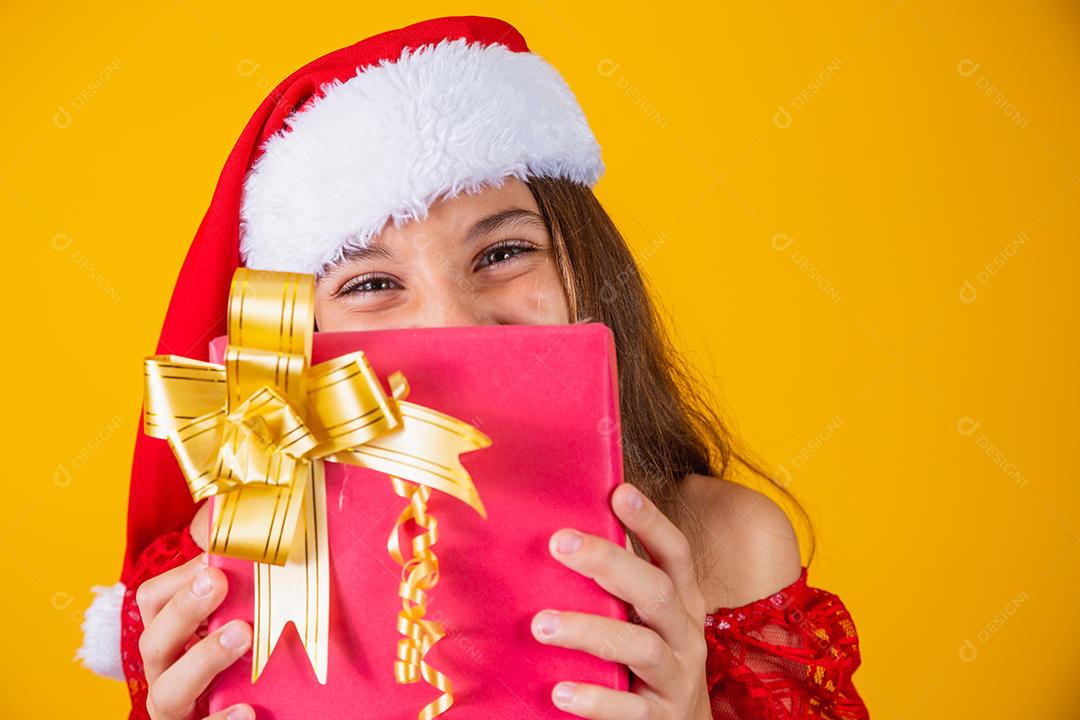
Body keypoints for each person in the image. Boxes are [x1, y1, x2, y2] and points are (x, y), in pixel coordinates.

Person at [75, 15, 869, 720]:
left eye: (504, 252)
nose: (453, 321)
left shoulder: (727, 545)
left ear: (586, 268)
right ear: (298, 332)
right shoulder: (222, 563)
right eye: (372, 283)